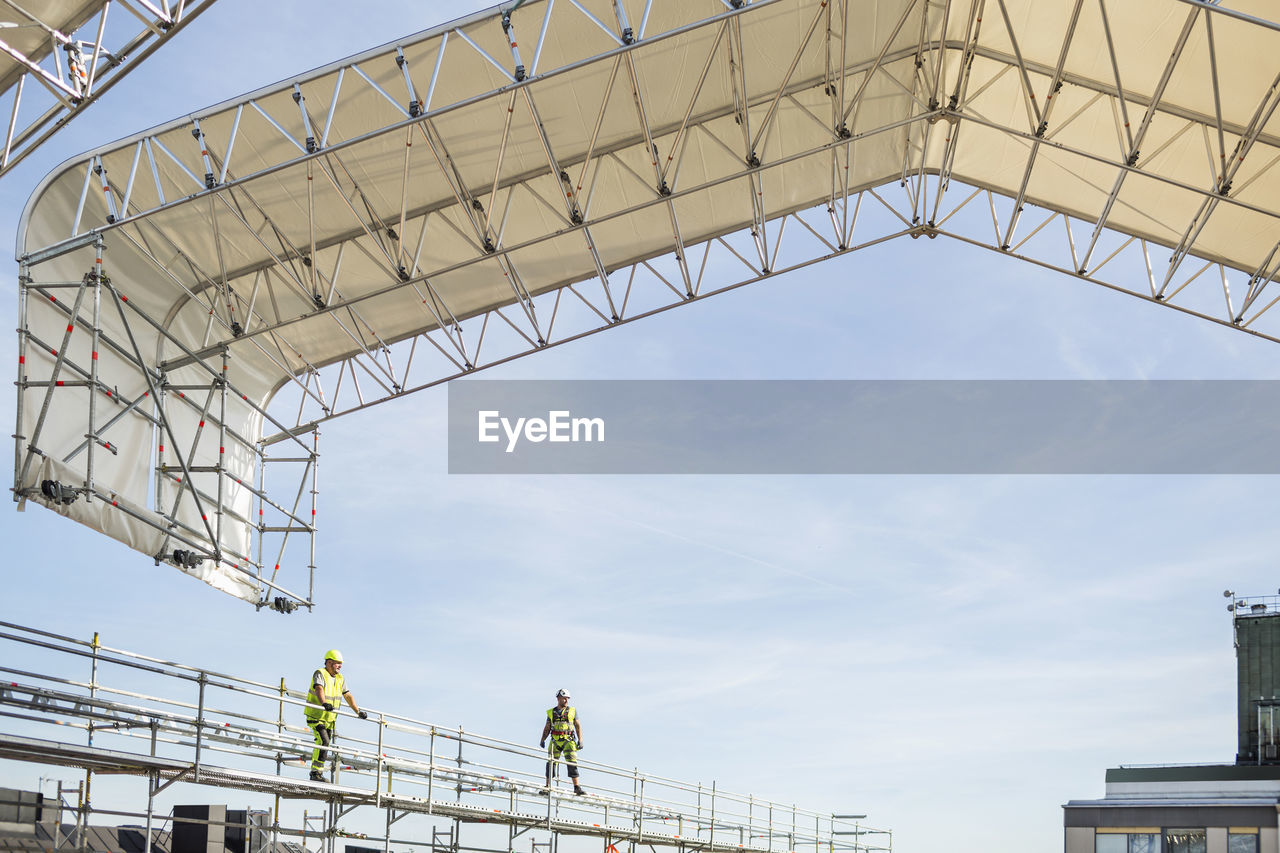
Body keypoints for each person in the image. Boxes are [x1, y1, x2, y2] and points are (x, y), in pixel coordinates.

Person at [304, 649, 367, 782]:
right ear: (329, 662)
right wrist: (324, 703)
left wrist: (358, 711)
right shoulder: (320, 673)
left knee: (323, 743)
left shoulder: (340, 678)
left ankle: (316, 772)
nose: (340, 666)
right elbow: (319, 688)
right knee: (323, 741)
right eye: (337, 663)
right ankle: (315, 773)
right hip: (316, 716)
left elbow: (348, 695)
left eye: (340, 663)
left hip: (329, 719)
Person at [539, 688, 584, 795]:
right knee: (550, 763)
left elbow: (577, 726)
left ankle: (576, 787)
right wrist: (542, 739)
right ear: (559, 699)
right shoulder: (551, 712)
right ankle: (548, 786)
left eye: (567, 698)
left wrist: (580, 740)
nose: (567, 701)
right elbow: (547, 727)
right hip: (555, 740)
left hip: (568, 740)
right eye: (565, 698)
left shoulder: (572, 711)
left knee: (572, 763)